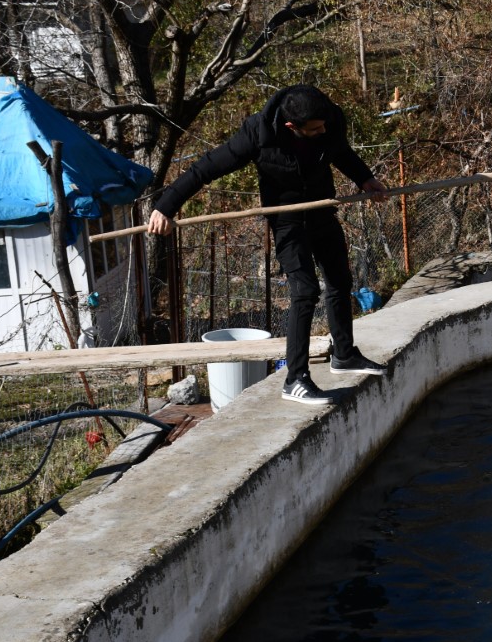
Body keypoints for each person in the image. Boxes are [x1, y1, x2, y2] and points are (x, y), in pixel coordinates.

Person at [148, 84, 390, 406]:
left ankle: (344, 355)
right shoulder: (257, 133)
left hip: (321, 208)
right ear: (292, 127)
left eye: (324, 126)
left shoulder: (329, 119)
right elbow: (204, 168)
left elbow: (339, 150)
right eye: (314, 130)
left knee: (340, 280)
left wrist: (364, 178)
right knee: (305, 291)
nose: (323, 131)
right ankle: (296, 380)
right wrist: (165, 206)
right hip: (286, 219)